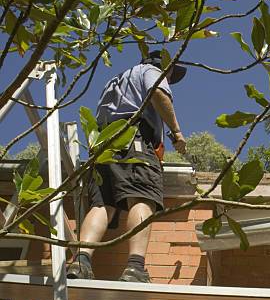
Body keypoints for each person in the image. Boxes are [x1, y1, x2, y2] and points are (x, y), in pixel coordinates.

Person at [67, 51, 188, 283]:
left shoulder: (117, 80)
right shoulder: (153, 71)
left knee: (103, 204)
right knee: (142, 197)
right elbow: (158, 94)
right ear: (165, 65)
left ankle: (81, 261)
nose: (170, 78)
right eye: (171, 73)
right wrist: (177, 132)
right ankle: (135, 267)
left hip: (103, 145)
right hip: (134, 140)